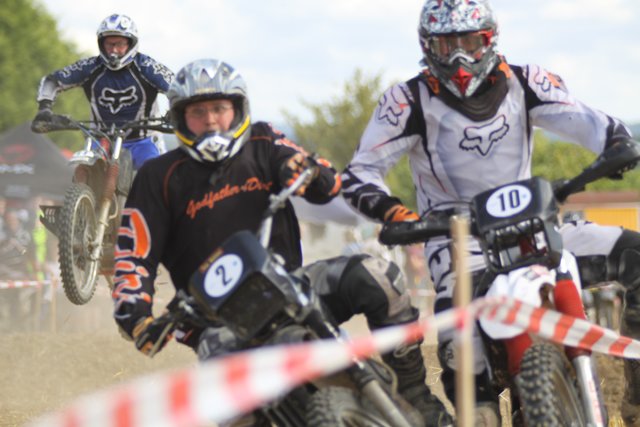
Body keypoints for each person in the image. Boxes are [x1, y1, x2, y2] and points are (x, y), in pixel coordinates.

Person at [342, 0, 640, 424]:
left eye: (469, 42)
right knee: (458, 336)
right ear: (427, 47)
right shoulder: (406, 101)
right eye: (446, 46)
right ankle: (480, 411)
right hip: (456, 235)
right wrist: (394, 213)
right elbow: (360, 173)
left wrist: (616, 143)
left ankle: (637, 393)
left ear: (489, 40)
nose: (459, 58)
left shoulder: (526, 81)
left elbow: (587, 121)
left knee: (635, 253)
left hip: (534, 223)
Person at [111, 58, 452, 426]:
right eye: (198, 112)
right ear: (180, 118)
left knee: (376, 274)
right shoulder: (157, 176)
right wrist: (137, 316)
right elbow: (133, 254)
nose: (210, 120)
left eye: (219, 108)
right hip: (214, 320)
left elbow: (324, 179)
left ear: (237, 109)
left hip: (291, 286)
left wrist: (308, 171)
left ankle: (416, 393)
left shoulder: (263, 140)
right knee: (230, 404)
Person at [31, 13, 174, 169]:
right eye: (109, 44)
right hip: (101, 139)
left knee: (155, 172)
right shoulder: (90, 67)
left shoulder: (147, 66)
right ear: (101, 44)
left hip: (143, 142)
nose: (114, 50)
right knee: (82, 168)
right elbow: (51, 81)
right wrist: (44, 108)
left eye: (120, 44)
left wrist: (175, 111)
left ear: (131, 44)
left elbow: (176, 86)